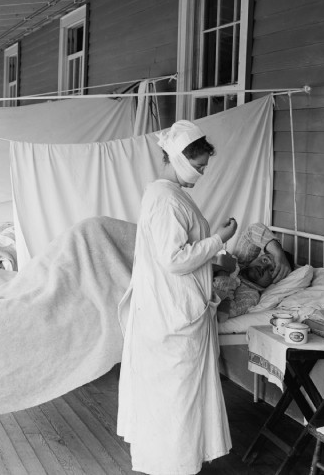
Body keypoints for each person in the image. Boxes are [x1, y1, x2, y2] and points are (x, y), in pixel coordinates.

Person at [116, 120, 238, 474]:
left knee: (174, 396)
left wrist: (214, 259)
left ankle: (176, 463)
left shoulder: (167, 194)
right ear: (180, 160)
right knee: (175, 397)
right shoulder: (166, 198)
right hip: (170, 312)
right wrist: (219, 238)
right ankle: (172, 465)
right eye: (198, 167)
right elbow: (174, 260)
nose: (201, 174)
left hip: (168, 306)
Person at [213, 222, 293, 322]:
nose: (263, 267)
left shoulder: (250, 295)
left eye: (272, 270)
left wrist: (223, 270)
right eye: (265, 260)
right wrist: (278, 253)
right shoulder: (242, 260)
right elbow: (253, 230)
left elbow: (221, 312)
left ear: (276, 280)